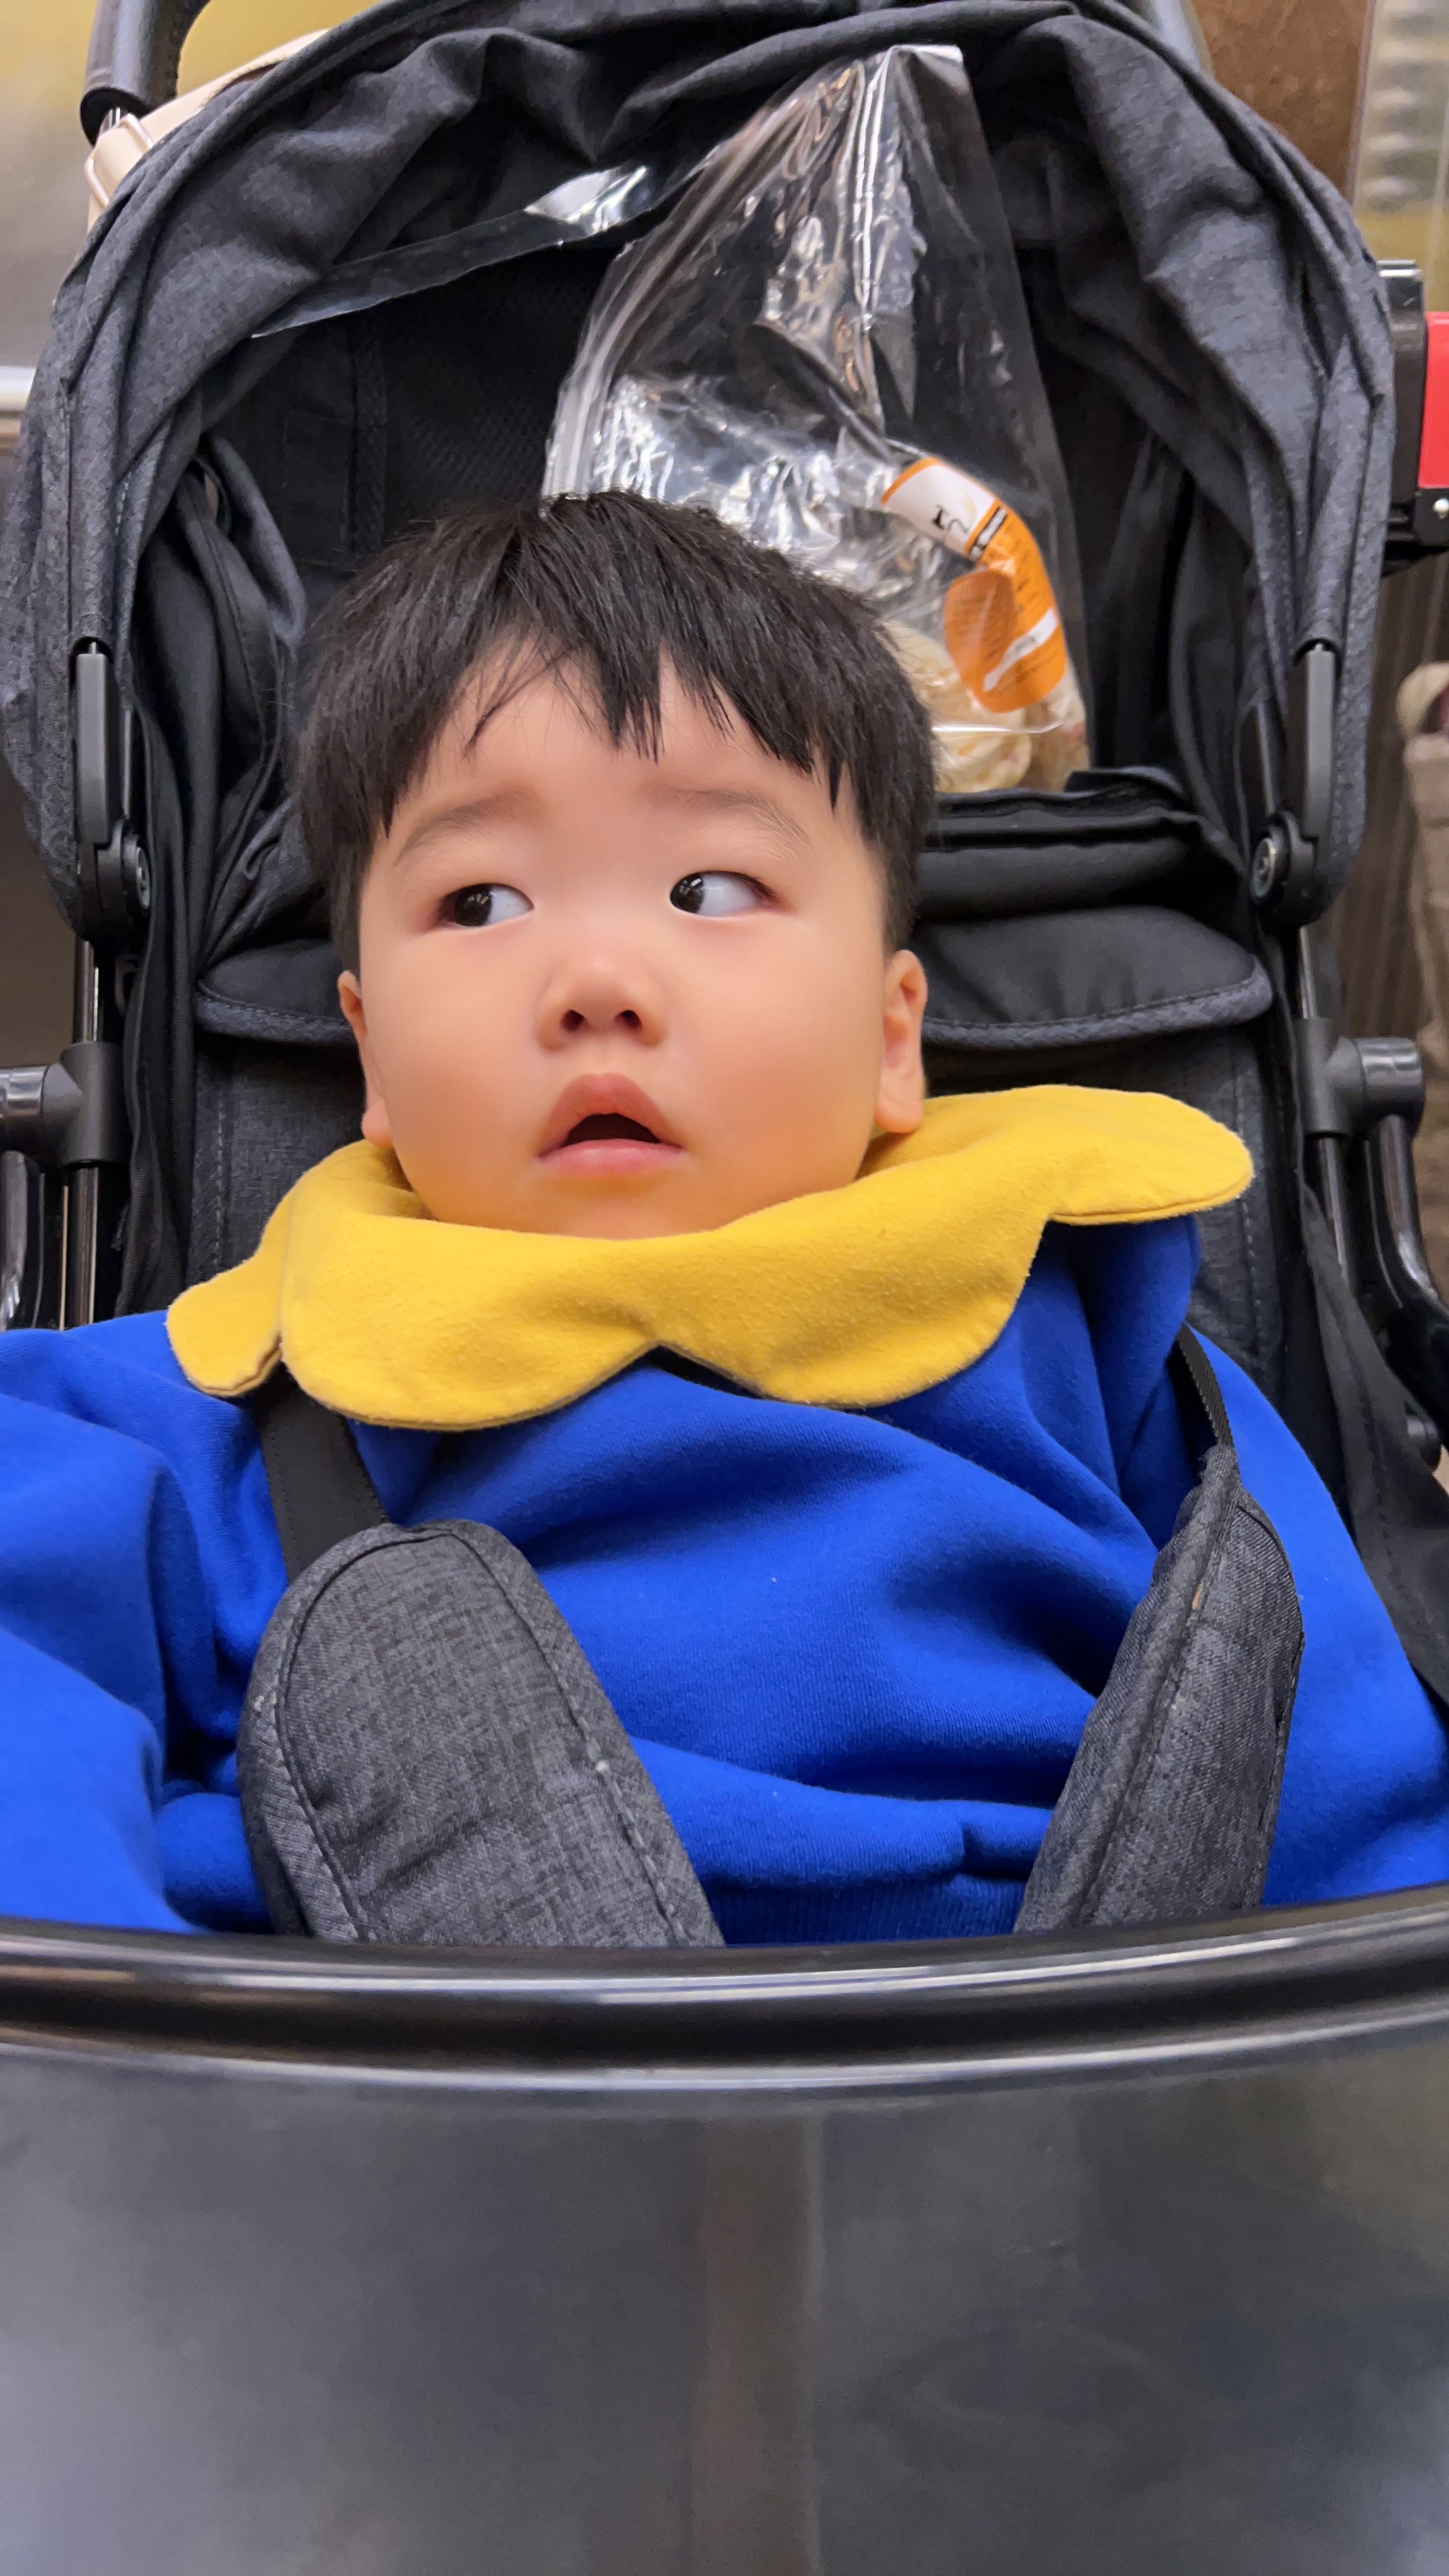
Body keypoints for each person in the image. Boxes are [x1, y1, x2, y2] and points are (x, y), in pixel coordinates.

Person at [0, 493, 1444, 1942]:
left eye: (711, 888)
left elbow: (1315, 1727)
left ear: (893, 1041)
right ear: (369, 1055)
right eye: (481, 902)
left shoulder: (1089, 1313)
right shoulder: (225, 1391)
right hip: (428, 2052)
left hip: (1093, 2028)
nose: (597, 983)